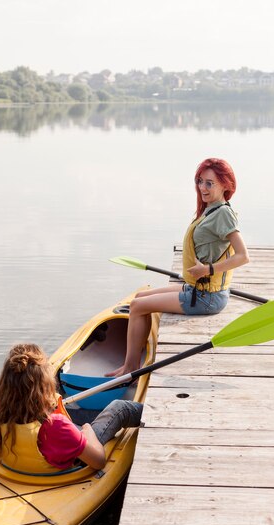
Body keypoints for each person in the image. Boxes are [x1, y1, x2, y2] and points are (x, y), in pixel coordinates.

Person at [106, 157, 249, 379]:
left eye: (209, 183)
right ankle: (135, 355)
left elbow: (243, 256)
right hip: (197, 290)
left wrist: (208, 270)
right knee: (141, 296)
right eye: (200, 181)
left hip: (205, 298)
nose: (202, 187)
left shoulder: (223, 214)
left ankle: (130, 368)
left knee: (136, 306)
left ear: (225, 185)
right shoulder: (211, 209)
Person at [0, 343, 143, 473]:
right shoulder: (57, 425)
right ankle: (154, 416)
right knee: (119, 408)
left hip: (22, 470)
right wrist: (87, 432)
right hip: (76, 460)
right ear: (45, 386)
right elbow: (99, 461)